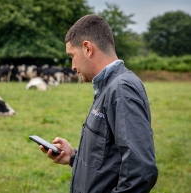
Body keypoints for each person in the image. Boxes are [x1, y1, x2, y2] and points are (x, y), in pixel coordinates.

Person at [39, 14, 158, 193]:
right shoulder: (109, 86)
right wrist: (73, 157)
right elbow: (110, 157)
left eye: (72, 56)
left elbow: (141, 172)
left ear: (87, 48)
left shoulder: (121, 89)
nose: (72, 66)